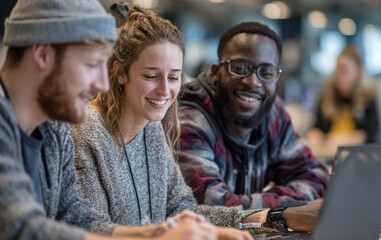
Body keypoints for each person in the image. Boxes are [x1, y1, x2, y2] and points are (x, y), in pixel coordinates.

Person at [71, 4, 322, 237]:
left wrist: (272, 217)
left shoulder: (153, 130)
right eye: (151, 76)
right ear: (119, 72)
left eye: (174, 77)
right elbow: (92, 230)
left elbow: (185, 211)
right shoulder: (87, 133)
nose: (165, 91)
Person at [0, 0, 221, 239]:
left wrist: (155, 232)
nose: (102, 85)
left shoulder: (54, 128)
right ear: (42, 54)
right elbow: (20, 228)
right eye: (92, 65)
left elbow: (75, 216)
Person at [177, 22, 329, 210]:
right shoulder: (191, 117)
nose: (252, 82)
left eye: (266, 72)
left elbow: (317, 177)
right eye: (239, 68)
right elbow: (210, 205)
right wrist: (284, 208)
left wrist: (265, 206)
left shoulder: (274, 114)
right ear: (216, 73)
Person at [307, 44, 378, 144]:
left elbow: (371, 135)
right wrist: (315, 134)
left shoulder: (367, 97)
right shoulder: (327, 94)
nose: (340, 76)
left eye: (345, 70)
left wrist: (339, 139)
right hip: (328, 155)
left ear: (358, 71)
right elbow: (317, 128)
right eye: (338, 69)